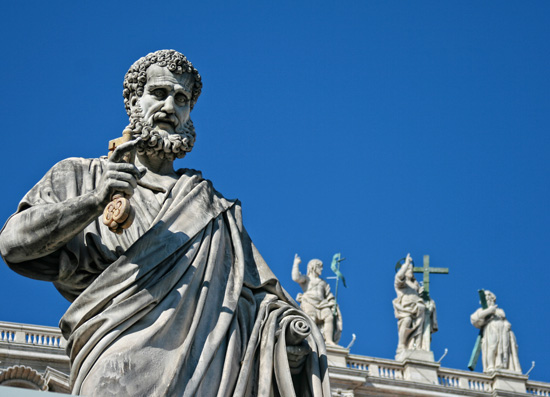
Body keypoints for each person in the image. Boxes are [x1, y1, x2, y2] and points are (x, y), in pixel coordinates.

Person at [0, 50, 330, 396]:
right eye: (159, 93)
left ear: (189, 115)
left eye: (182, 99)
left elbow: (259, 304)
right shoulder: (83, 174)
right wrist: (95, 201)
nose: (170, 107)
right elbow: (12, 244)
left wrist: (287, 335)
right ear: (133, 101)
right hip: (115, 367)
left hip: (206, 375)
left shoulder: (215, 210)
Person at [292, 254, 342, 346]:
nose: (322, 269)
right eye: (320, 267)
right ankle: (311, 340)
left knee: (329, 317)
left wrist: (332, 303)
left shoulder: (323, 282)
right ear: (313, 267)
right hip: (309, 301)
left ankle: (329, 340)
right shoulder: (307, 279)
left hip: (322, 303)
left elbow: (329, 295)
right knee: (311, 318)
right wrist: (296, 264)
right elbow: (295, 278)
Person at [392, 254, 437, 355]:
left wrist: (423, 296)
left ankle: (416, 345)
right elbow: (399, 276)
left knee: (419, 328)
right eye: (409, 270)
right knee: (407, 320)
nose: (411, 272)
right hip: (406, 309)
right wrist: (406, 264)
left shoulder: (415, 285)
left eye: (412, 270)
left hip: (418, 309)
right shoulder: (401, 284)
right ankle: (402, 344)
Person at [470, 290, 521, 373]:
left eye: (489, 298)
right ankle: (490, 366)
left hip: (503, 330)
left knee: (503, 349)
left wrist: (507, 324)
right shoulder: (482, 310)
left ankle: (503, 366)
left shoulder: (499, 310)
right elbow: (474, 319)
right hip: (491, 328)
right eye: (486, 299)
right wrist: (489, 311)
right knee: (492, 347)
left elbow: (504, 318)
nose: (487, 300)